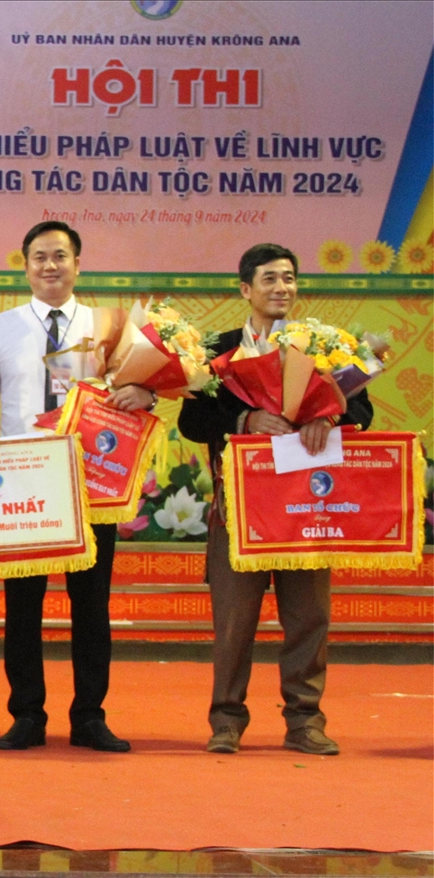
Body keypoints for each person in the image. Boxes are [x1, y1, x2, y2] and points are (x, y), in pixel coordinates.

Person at [0, 220, 144, 753]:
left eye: (60, 256)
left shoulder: (109, 327)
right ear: (25, 267)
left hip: (91, 481)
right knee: (23, 605)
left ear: (78, 265)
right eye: (39, 257)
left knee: (91, 604)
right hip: (23, 482)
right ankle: (27, 715)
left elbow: (139, 389)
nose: (50, 266)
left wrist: (145, 395)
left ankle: (89, 717)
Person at [178, 243, 374, 756]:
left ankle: (305, 721)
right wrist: (244, 420)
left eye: (288, 278)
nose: (281, 288)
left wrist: (329, 414)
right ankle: (226, 721)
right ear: (246, 289)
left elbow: (364, 411)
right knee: (233, 620)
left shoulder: (325, 348)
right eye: (269, 279)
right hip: (240, 511)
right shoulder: (217, 352)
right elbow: (191, 420)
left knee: (309, 617)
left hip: (307, 507)